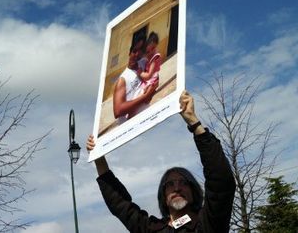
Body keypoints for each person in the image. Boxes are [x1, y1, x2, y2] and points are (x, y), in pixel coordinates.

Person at [87, 91, 236, 232]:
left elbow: (221, 181)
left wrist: (194, 122)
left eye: (183, 183)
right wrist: (98, 155)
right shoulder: (151, 229)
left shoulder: (208, 223)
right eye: (170, 184)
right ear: (163, 196)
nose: (177, 188)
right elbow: (120, 204)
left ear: (193, 191)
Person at [113, 36, 157, 124]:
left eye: (141, 51)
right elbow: (118, 111)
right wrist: (145, 97)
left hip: (146, 118)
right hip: (129, 126)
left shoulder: (143, 63)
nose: (137, 55)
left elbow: (155, 77)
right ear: (129, 53)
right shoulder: (122, 80)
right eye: (134, 51)